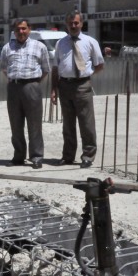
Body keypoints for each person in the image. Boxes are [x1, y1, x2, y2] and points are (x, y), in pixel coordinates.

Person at [50, 10, 105, 168]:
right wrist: (54, 88)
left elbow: (99, 64)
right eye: (70, 23)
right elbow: (56, 67)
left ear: (81, 23)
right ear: (66, 24)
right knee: (68, 124)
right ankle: (68, 156)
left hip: (82, 85)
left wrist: (87, 75)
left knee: (86, 123)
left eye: (76, 23)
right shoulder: (60, 43)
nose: (73, 26)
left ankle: (88, 156)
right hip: (64, 85)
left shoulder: (90, 42)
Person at [0, 18, 51, 169]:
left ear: (29, 29)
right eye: (18, 29)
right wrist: (16, 80)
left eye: (23, 28)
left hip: (32, 87)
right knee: (15, 124)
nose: (21, 32)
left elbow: (46, 69)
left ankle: (36, 156)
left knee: (34, 124)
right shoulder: (7, 48)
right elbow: (4, 68)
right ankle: (18, 156)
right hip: (14, 88)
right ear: (14, 31)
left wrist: (33, 82)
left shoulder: (39, 46)